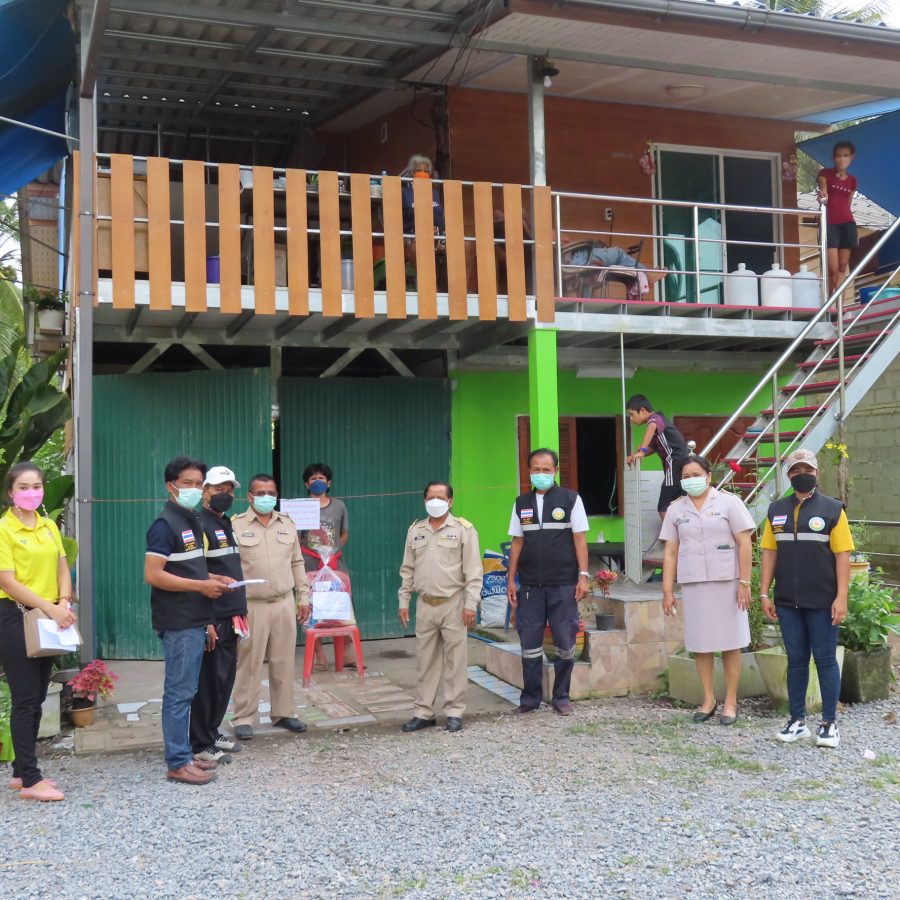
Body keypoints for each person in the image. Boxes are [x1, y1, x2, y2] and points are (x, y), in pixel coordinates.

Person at [759, 448, 853, 749]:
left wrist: (841, 597)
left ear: (817, 473)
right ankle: (797, 721)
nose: (803, 475)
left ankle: (829, 724)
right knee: (796, 661)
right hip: (788, 602)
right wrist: (764, 593)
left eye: (808, 470)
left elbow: (842, 556)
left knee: (825, 661)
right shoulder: (776, 510)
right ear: (789, 475)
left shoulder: (833, 509)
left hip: (823, 601)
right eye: (796, 470)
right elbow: (770, 553)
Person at [145, 456, 229, 785]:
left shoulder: (191, 519)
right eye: (187, 483)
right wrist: (201, 586)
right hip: (178, 620)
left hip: (196, 617)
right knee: (179, 693)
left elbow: (190, 569)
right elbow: (154, 574)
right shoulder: (164, 524)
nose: (194, 489)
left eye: (198, 484)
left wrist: (214, 580)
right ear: (171, 486)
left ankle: (184, 753)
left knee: (188, 690)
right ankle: (177, 762)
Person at [659, 454, 755, 725]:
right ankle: (708, 699)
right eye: (686, 476)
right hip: (695, 584)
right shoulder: (676, 509)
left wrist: (745, 582)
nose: (691, 480)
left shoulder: (729, 502)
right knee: (701, 644)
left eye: (696, 475)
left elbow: (745, 544)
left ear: (709, 476)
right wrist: (667, 591)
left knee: (731, 642)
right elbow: (670, 552)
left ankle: (731, 702)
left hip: (728, 582)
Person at [0, 461, 76, 801]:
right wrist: (51, 608)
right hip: (15, 616)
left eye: (37, 486)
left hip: (49, 616)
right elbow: (7, 581)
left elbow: (62, 567)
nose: (31, 493)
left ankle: (21, 772)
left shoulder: (47, 525)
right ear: (10, 493)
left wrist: (64, 602)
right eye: (23, 487)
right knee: (26, 699)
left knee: (40, 694)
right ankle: (31, 780)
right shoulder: (4, 529)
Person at [506, 449, 590, 716]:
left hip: (563, 584)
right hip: (530, 586)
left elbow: (580, 539)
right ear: (529, 471)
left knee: (565, 643)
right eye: (535, 469)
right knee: (529, 645)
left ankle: (561, 697)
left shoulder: (570, 499)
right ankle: (530, 698)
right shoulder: (521, 503)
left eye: (545, 469)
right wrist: (511, 579)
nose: (540, 474)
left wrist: (584, 576)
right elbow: (517, 542)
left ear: (555, 471)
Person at [398, 482, 482, 733]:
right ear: (424, 500)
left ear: (450, 501)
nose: (435, 501)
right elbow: (407, 569)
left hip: (454, 604)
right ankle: (423, 712)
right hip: (425, 605)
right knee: (425, 661)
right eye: (430, 497)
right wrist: (404, 601)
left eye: (440, 497)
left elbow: (474, 571)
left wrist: (471, 604)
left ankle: (454, 711)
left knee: (456, 661)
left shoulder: (464, 530)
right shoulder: (416, 531)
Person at [231, 473, 310, 740]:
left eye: (272, 493)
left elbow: (297, 562)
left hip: (283, 602)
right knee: (249, 662)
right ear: (249, 496)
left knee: (283, 660)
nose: (267, 498)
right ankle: (243, 717)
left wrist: (303, 597)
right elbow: (230, 567)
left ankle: (284, 713)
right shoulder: (236, 525)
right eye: (261, 493)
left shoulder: (287, 524)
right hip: (251, 605)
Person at [189, 466, 248, 764]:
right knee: (208, 682)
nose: (224, 495)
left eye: (229, 490)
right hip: (213, 615)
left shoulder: (225, 522)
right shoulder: (200, 524)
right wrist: (207, 621)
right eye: (217, 489)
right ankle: (199, 741)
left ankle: (212, 731)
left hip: (232, 614)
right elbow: (196, 573)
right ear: (204, 492)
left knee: (224, 680)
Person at [298, 462, 355, 671]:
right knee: (312, 608)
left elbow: (344, 533)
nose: (317, 482)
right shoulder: (301, 507)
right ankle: (319, 653)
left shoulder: (339, 506)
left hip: (334, 563)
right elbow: (296, 537)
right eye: (313, 479)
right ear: (307, 484)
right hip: (308, 563)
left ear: (329, 483)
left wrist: (332, 552)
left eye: (321, 478)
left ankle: (346, 652)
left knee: (343, 603)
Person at [625, 395, 689, 520]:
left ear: (643, 411)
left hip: (675, 463)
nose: (631, 419)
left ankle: (670, 532)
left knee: (663, 507)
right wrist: (634, 456)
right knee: (679, 505)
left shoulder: (655, 418)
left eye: (632, 414)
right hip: (679, 465)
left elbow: (652, 425)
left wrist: (642, 451)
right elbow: (653, 448)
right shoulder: (659, 429)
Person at [817, 140, 858, 296]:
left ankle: (839, 303)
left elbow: (848, 203)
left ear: (852, 157)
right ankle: (827, 301)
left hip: (848, 223)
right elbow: (824, 193)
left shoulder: (852, 180)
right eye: (838, 156)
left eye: (845, 155)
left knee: (842, 266)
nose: (842, 159)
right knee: (832, 268)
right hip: (830, 224)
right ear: (833, 158)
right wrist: (822, 196)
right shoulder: (825, 173)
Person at [401, 154, 445, 265]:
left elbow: (440, 219)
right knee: (419, 252)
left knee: (467, 245)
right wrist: (427, 215)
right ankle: (428, 276)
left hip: (436, 236)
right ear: (412, 173)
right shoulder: (405, 193)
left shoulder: (434, 193)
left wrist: (424, 214)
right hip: (413, 236)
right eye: (419, 170)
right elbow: (405, 216)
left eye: (426, 171)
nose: (423, 173)